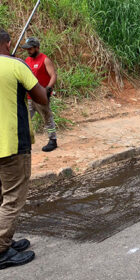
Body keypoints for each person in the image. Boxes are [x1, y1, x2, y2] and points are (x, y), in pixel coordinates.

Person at [0, 29, 47, 269]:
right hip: (11, 144)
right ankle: (0, 249)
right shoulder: (17, 65)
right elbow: (41, 98)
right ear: (8, 43)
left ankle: (4, 240)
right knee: (13, 198)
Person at [22, 37, 58, 151]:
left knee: (47, 118)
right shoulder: (27, 60)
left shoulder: (45, 60)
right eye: (27, 49)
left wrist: (48, 89)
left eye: (31, 49)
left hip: (41, 95)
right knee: (25, 120)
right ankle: (25, 142)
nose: (28, 51)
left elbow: (53, 75)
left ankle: (53, 140)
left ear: (37, 48)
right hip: (29, 96)